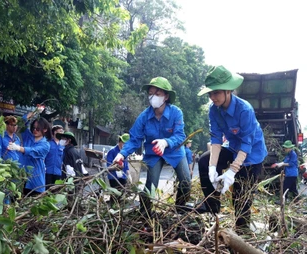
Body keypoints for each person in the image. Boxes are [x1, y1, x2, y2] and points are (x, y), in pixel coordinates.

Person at [196, 65, 267, 229]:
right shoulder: (214, 110)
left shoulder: (244, 109)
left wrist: (232, 171)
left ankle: (242, 232)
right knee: (203, 161)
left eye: (216, 92)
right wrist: (212, 167)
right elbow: (215, 138)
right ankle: (212, 207)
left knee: (240, 198)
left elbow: (247, 142)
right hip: (232, 147)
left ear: (228, 91)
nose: (213, 97)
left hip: (251, 154)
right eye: (210, 93)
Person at [112, 77, 191, 216]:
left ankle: (180, 210)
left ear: (166, 96)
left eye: (157, 93)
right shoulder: (144, 117)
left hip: (175, 151)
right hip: (154, 154)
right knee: (150, 186)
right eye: (150, 93)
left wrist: (165, 142)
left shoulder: (176, 113)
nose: (153, 97)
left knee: (186, 181)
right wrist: (121, 154)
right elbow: (135, 139)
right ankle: (145, 214)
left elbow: (180, 136)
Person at [8, 109, 51, 196]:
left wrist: (18, 148)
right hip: (20, 177)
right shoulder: (28, 136)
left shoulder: (45, 145)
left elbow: (33, 151)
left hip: (35, 180)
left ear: (45, 130)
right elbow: (21, 124)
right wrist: (33, 113)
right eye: (33, 128)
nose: (35, 130)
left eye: (38, 129)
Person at [106, 133, 130, 199]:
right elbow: (109, 165)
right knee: (115, 195)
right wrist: (117, 167)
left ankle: (119, 207)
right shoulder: (112, 151)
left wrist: (128, 174)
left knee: (122, 194)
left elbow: (126, 164)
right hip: (114, 177)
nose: (125, 146)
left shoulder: (125, 152)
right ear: (120, 142)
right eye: (124, 144)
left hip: (123, 176)